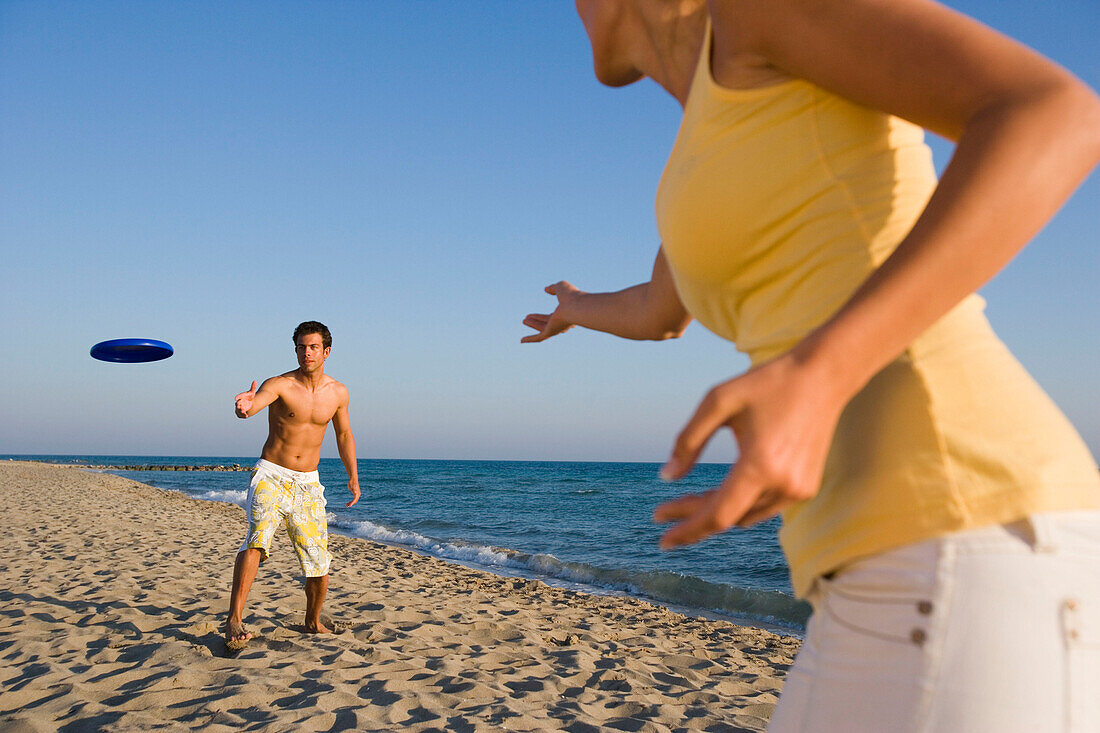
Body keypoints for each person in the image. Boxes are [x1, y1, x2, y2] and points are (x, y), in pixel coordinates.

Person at [525, 1, 1100, 730]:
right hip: (869, 565)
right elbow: (660, 312)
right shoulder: (695, 149)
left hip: (963, 523)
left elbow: (1055, 113)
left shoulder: (760, 13)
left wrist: (821, 373)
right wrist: (575, 306)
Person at [224, 321, 360, 649]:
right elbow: (254, 405)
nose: (307, 352)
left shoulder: (338, 392)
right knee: (257, 539)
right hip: (271, 475)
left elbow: (343, 434)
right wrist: (244, 407)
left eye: (313, 347)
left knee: (318, 559)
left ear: (326, 351)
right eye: (301, 346)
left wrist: (353, 475)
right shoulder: (281, 385)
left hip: (308, 484)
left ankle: (312, 620)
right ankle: (234, 619)